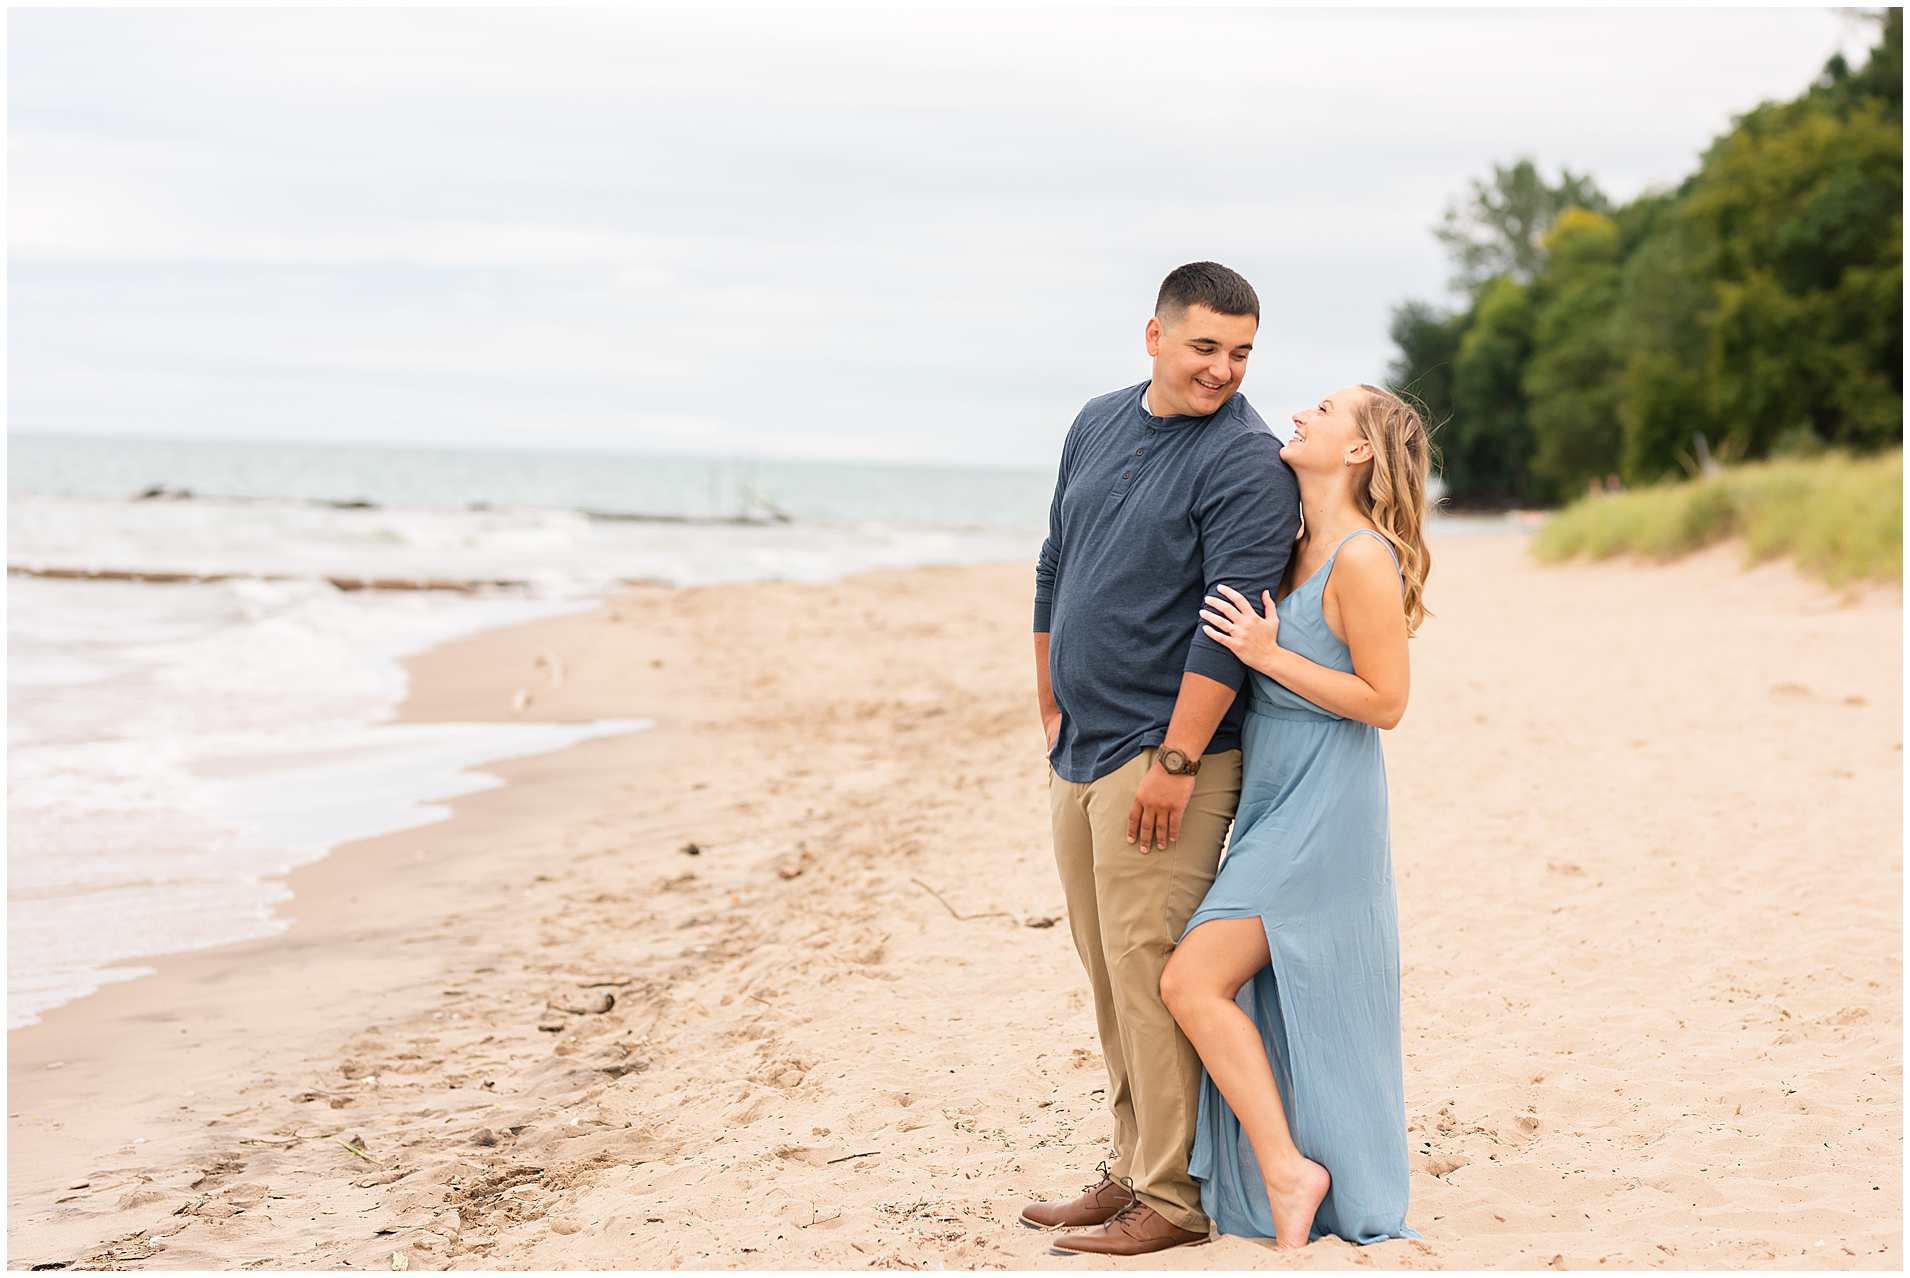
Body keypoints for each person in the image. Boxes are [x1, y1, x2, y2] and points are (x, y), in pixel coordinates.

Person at [1023, 262, 1300, 1257]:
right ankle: (1125, 1165)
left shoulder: (1246, 462)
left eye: (1239, 352)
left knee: (1148, 968)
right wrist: (1048, 693)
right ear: (1153, 335)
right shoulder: (1097, 420)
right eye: (1203, 347)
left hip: (1167, 757)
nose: (1222, 369)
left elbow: (1226, 628)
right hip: (1082, 747)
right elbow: (1057, 557)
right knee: (1105, 969)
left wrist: (1176, 763)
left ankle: (1172, 1197)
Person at [1161, 383, 1431, 1248]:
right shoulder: (1291, 540)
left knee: (1191, 980)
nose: (1302, 414)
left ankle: (1288, 1169)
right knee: (1250, 986)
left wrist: (1271, 655)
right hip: (1275, 790)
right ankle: (1290, 1165)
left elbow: (1386, 701)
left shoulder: (1362, 557)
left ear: (1359, 451)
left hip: (1326, 801)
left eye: (1324, 408)